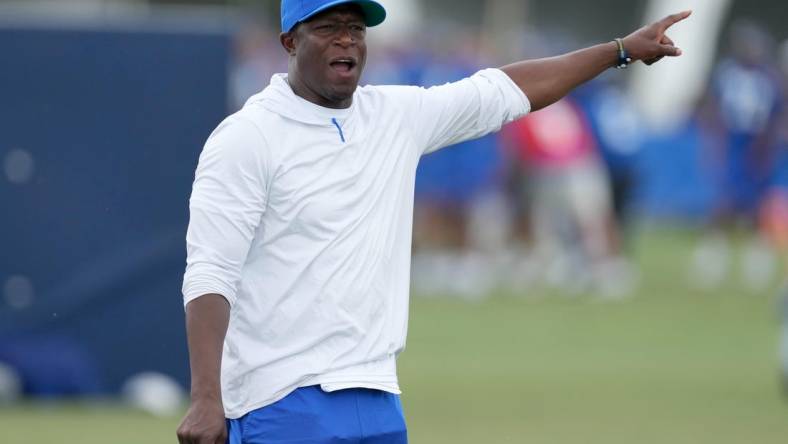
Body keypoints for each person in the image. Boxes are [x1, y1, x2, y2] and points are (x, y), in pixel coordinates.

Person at [176, 1, 690, 443]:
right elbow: (210, 272)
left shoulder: (393, 115)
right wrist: (205, 397)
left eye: (356, 29)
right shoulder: (246, 138)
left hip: (377, 395)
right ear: (290, 40)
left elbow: (504, 90)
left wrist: (618, 50)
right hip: (282, 400)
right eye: (329, 27)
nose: (347, 41)